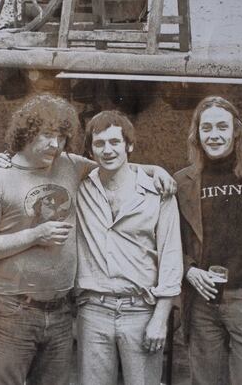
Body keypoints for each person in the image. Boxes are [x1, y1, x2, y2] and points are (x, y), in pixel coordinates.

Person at [0, 94, 175, 385]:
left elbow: (114, 165)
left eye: (61, 137)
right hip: (11, 310)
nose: (55, 145)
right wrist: (34, 235)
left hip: (60, 312)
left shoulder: (69, 164)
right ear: (26, 133)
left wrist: (156, 170)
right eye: (47, 135)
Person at [174, 96, 242, 385]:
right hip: (202, 303)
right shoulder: (182, 182)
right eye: (206, 128)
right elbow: (168, 240)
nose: (214, 135)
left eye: (222, 126)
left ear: (236, 131)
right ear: (197, 134)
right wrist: (189, 270)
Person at [74, 110, 183, 385]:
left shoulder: (159, 192)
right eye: (100, 144)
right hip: (93, 311)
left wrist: (161, 318)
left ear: (129, 146)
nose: (107, 150)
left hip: (141, 311)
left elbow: (171, 258)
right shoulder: (80, 187)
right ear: (90, 150)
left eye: (115, 142)